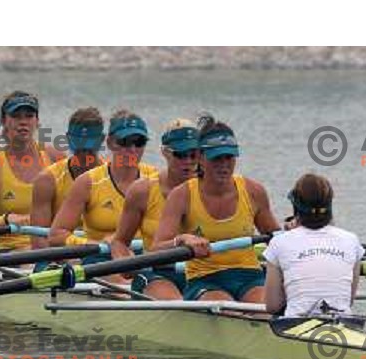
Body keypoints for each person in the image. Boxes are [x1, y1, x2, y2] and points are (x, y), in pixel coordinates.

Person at [153, 115, 280, 303]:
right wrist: (182, 239)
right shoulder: (182, 195)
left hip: (250, 277)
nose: (224, 165)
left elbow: (277, 242)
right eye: (217, 158)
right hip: (205, 279)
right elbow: (156, 250)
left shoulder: (253, 191)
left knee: (264, 308)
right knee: (225, 307)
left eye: (229, 157)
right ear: (201, 158)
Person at [49, 110, 159, 265]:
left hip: (143, 257)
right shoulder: (88, 182)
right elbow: (56, 235)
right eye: (125, 142)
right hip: (101, 257)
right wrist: (95, 243)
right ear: (110, 143)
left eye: (139, 142)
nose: (133, 149)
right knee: (124, 285)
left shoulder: (155, 179)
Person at [110, 118, 200, 299]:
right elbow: (119, 242)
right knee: (176, 306)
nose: (188, 161)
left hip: (203, 273)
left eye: (194, 154)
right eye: (180, 154)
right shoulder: (142, 190)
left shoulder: (212, 189)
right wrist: (124, 263)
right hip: (157, 273)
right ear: (165, 153)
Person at [0, 91, 62, 251]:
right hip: (14, 252)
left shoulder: (55, 157)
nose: (23, 122)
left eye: (29, 116)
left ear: (37, 121)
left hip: (54, 247)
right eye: (16, 116)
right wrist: (4, 221)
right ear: (4, 121)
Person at [263, 174, 364, 317]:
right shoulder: (351, 240)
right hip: (344, 322)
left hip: (294, 327)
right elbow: (349, 301)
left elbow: (272, 306)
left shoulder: (279, 243)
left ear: (295, 207)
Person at [30, 107, 105, 250]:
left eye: (89, 148)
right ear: (67, 139)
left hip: (102, 254)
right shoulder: (47, 180)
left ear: (102, 140)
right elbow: (39, 242)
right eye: (78, 147)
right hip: (58, 256)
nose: (83, 154)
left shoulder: (114, 176)